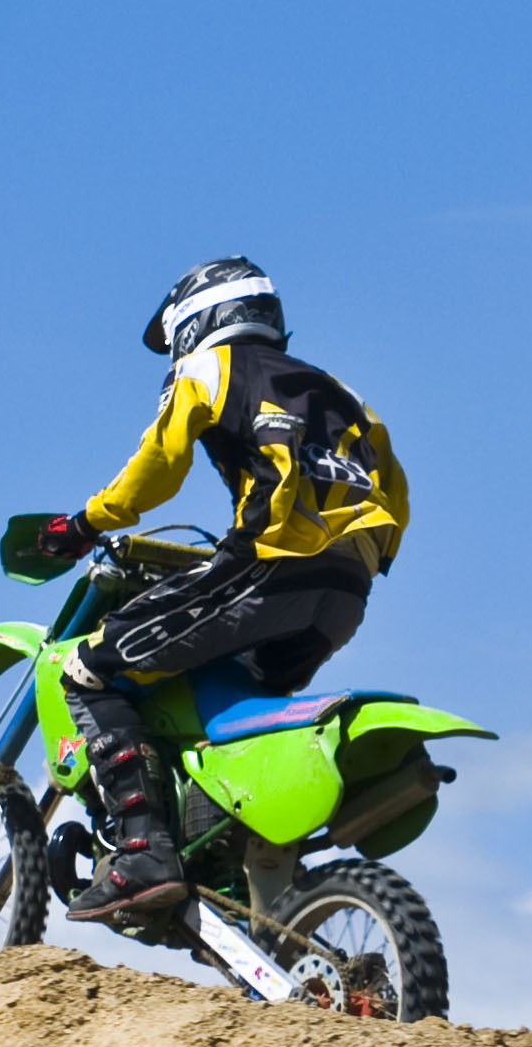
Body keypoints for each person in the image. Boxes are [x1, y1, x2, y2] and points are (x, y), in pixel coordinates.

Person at [25, 258, 410, 924]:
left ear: (196, 322)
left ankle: (142, 853)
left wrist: (86, 522)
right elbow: (394, 489)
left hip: (268, 568)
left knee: (90, 673)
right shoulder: (342, 392)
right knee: (228, 703)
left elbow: (158, 465)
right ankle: (224, 850)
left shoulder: (210, 369)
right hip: (348, 590)